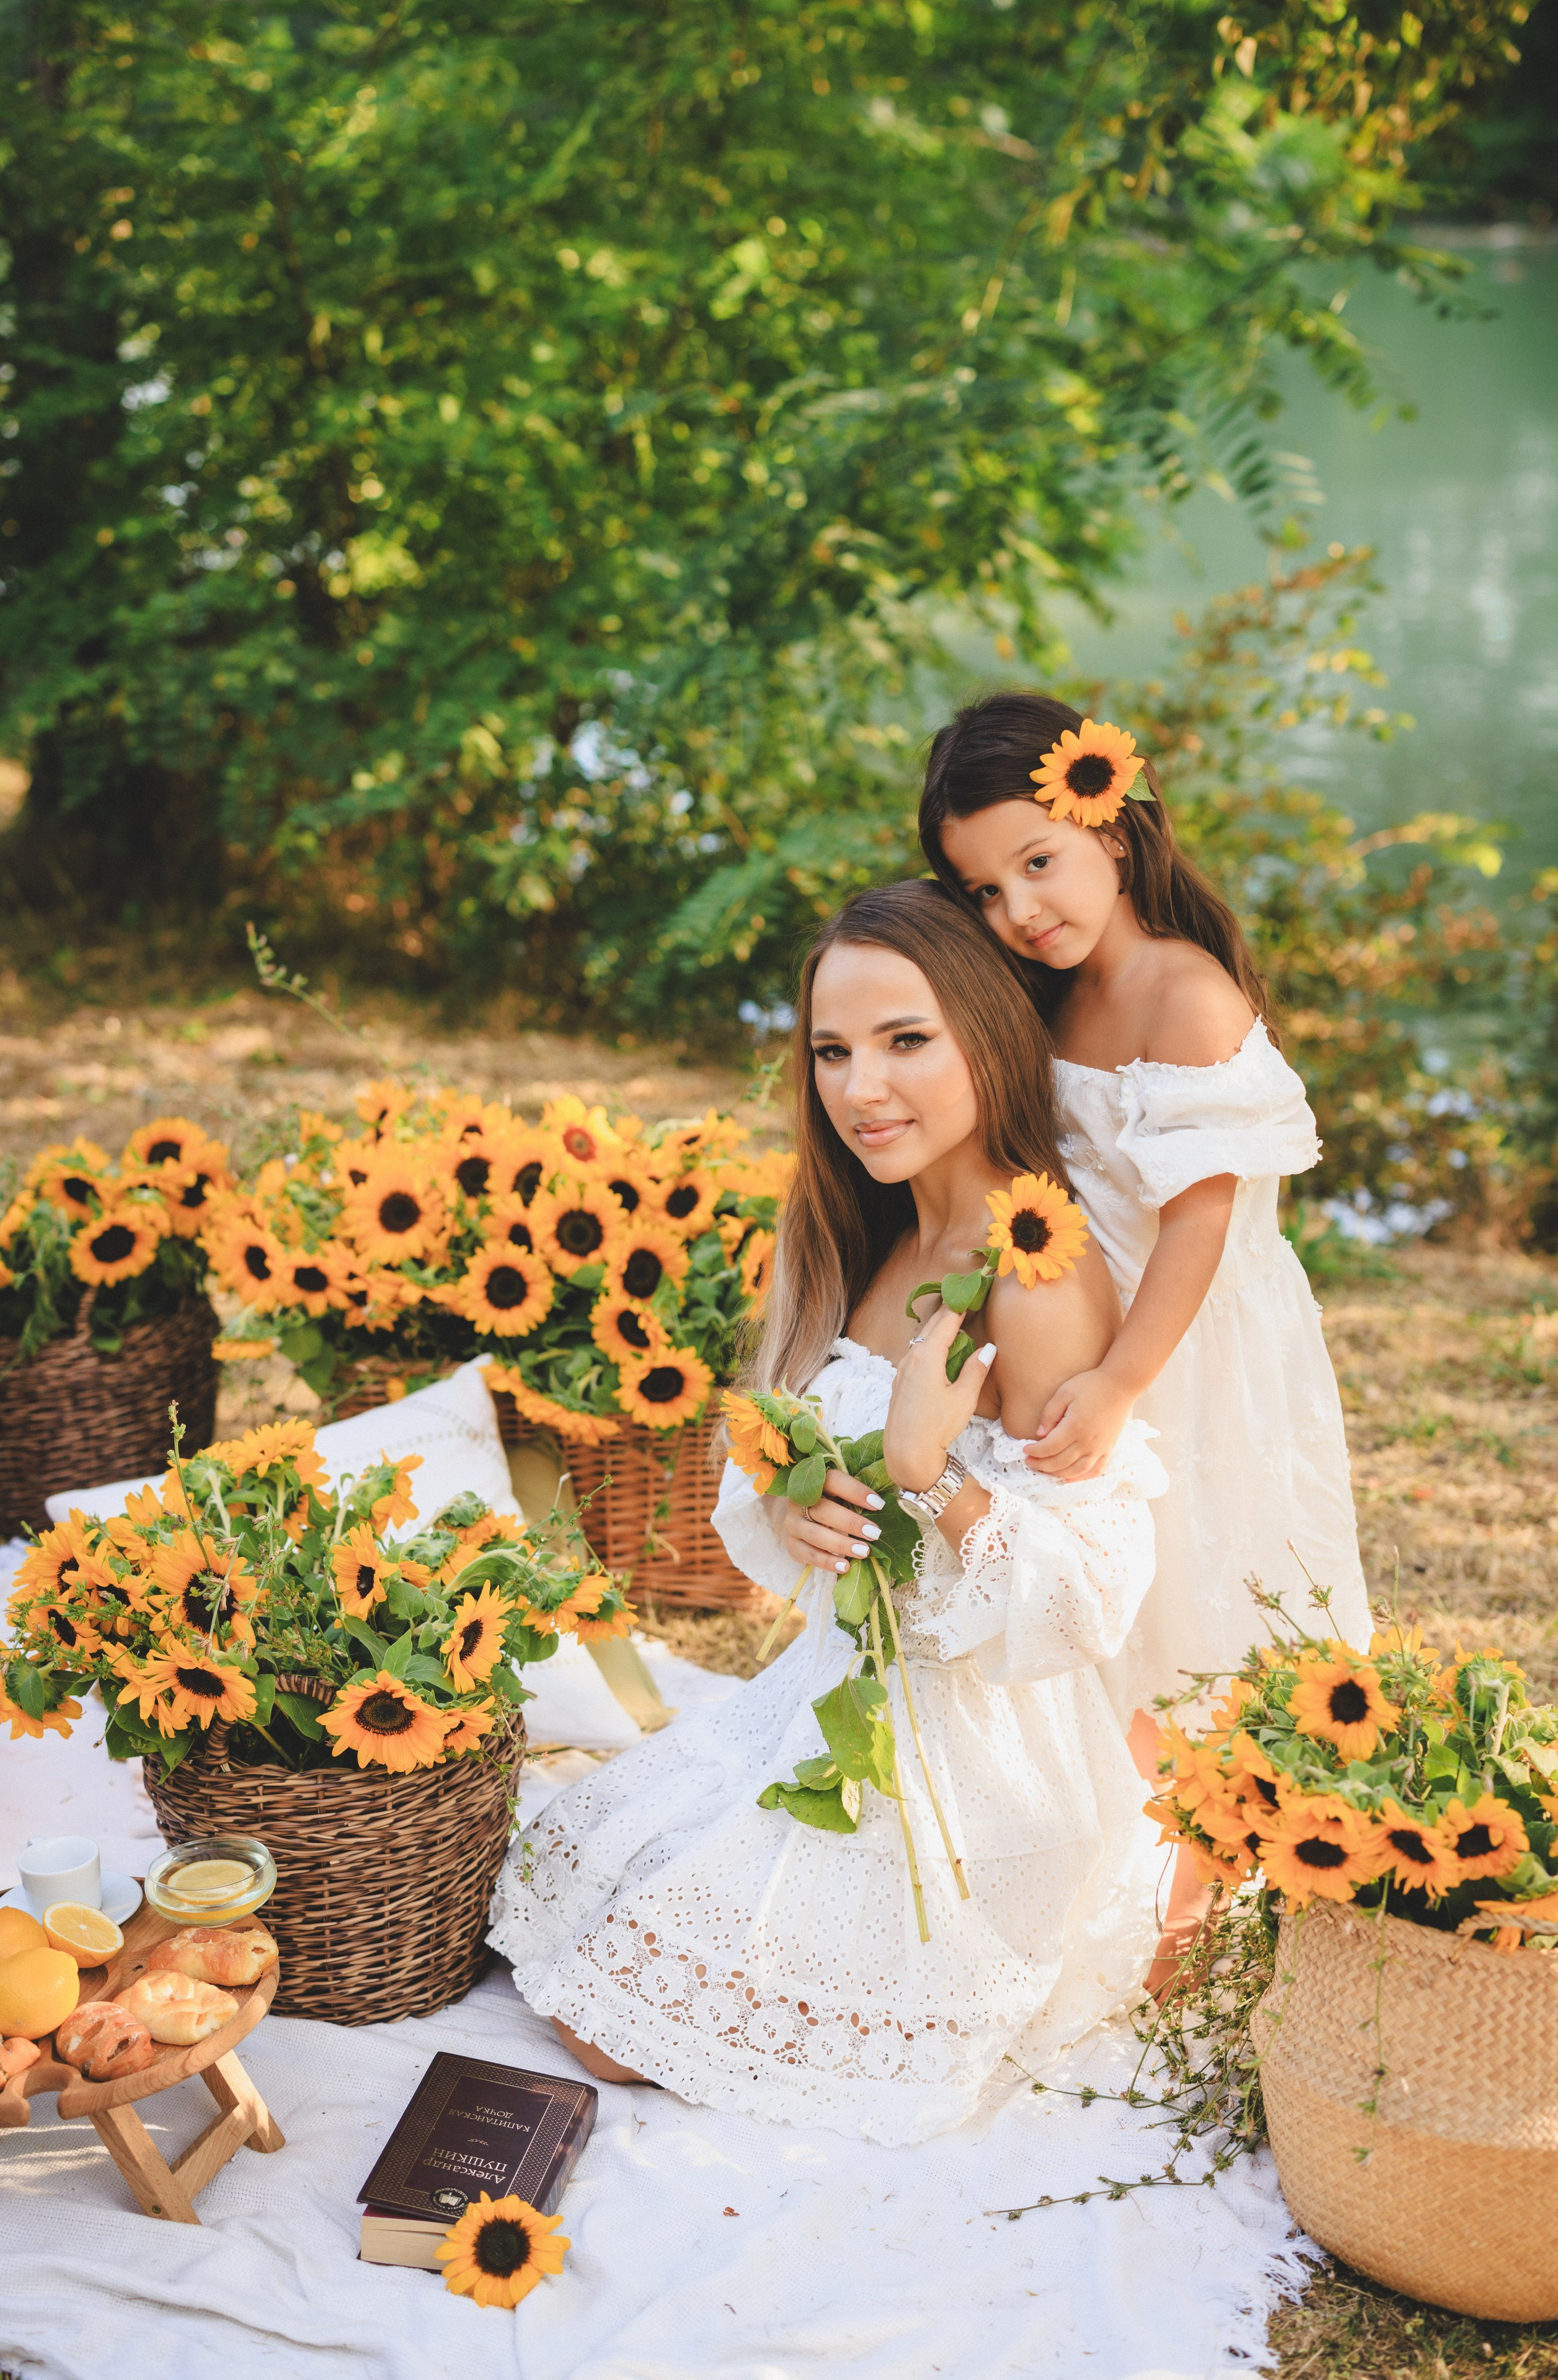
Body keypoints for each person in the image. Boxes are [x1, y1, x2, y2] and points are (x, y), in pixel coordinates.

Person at [489, 881, 1167, 2145]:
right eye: (833, 1049)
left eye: (906, 1040)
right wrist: (797, 1505)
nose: (862, 1086)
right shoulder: (854, 1230)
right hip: (834, 1689)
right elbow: (765, 1457)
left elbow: (1089, 1594)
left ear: (987, 1035)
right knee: (551, 1878)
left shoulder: (1032, 1270)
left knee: (609, 2019)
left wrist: (933, 1473)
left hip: (970, 1758)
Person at [918, 691, 1373, 1985]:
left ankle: (1198, 1894)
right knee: (1117, 1603)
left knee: (1207, 1598)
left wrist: (1123, 1377)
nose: (1018, 910)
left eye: (1036, 863)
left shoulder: (1180, 991)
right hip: (1092, 1338)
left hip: (1190, 1351)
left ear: (1113, 826)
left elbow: (1199, 1223)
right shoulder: (1047, 993)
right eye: (985, 889)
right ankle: (1124, 1844)